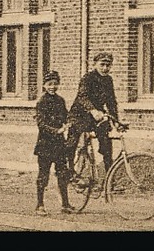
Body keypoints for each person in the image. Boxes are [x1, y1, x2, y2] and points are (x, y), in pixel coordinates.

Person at [68, 51, 121, 171]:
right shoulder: (87, 78)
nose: (105, 68)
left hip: (97, 116)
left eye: (108, 65)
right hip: (79, 114)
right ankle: (68, 171)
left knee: (106, 142)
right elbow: (83, 96)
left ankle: (108, 177)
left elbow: (111, 102)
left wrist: (116, 121)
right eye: (102, 64)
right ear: (95, 64)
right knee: (72, 142)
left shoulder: (108, 80)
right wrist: (93, 110)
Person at [33, 70, 76, 215]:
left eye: (55, 84)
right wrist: (55, 131)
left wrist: (69, 123)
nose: (53, 87)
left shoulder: (60, 100)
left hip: (59, 144)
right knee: (43, 175)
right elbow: (41, 124)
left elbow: (66, 116)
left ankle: (65, 204)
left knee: (62, 174)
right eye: (49, 84)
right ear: (44, 85)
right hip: (45, 144)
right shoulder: (41, 102)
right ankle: (40, 205)